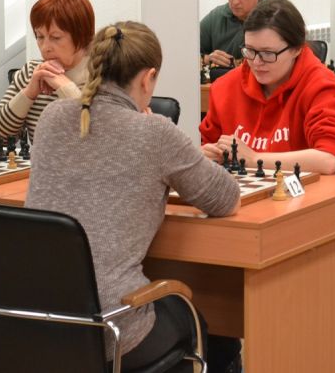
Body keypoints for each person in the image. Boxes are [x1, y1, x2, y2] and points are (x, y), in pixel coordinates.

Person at [26, 22, 241, 371]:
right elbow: (226, 198)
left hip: (32, 318)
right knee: (207, 328)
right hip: (109, 329)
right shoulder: (154, 132)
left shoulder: (51, 116)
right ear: (148, 78)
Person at [200, 0, 335, 175]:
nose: (256, 62)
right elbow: (207, 147)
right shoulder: (225, 87)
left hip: (305, 190)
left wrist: (254, 159)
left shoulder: (322, 86)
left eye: (268, 53)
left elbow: (328, 160)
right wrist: (207, 154)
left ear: (296, 48)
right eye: (250, 50)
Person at [0, 0, 95, 144]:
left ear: (81, 37)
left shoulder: (106, 75)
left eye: (56, 37)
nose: (45, 47)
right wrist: (29, 93)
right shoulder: (32, 72)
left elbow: (102, 141)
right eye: (40, 36)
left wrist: (66, 88)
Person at [200, 0, 267, 68]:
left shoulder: (277, 16)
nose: (234, 2)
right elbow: (184, 51)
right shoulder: (216, 17)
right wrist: (208, 59)